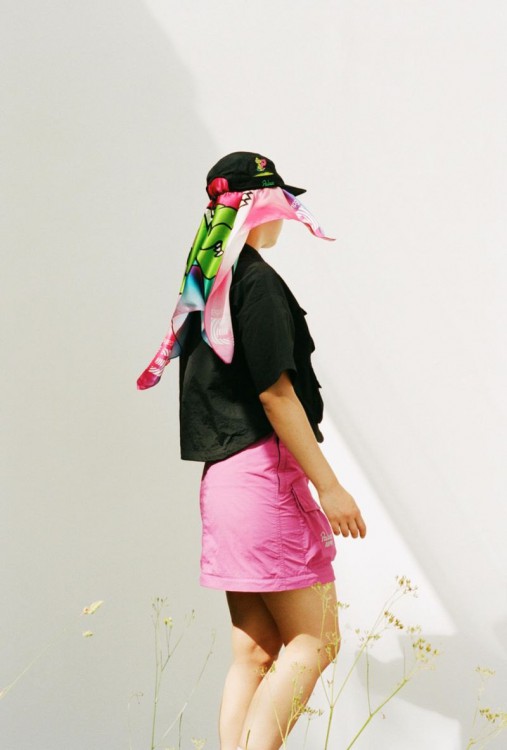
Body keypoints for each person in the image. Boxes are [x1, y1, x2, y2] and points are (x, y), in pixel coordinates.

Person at [138, 152, 367, 750]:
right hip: (264, 480)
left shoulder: (210, 278)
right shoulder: (255, 282)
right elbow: (276, 393)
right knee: (316, 641)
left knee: (257, 651)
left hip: (225, 483)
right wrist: (330, 486)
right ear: (258, 205)